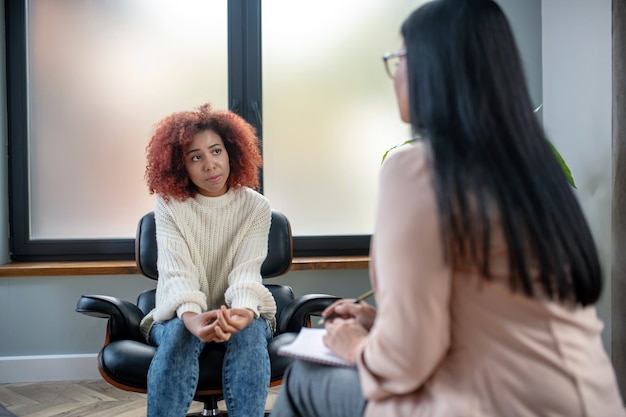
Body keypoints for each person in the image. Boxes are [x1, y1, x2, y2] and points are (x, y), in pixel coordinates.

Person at [269, 0, 625, 416]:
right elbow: (494, 324)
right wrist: (381, 324)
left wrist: (356, 345)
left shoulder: (418, 167)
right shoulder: (537, 169)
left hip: (487, 405)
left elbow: (404, 363)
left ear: (434, 70)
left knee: (304, 377)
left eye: (400, 57)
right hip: (590, 401)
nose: (396, 72)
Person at [141, 103, 277, 417]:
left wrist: (242, 312)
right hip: (180, 316)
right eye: (196, 157)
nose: (210, 165)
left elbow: (246, 272)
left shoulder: (256, 207)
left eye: (216, 151)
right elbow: (178, 275)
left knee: (251, 329)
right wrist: (192, 317)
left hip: (240, 311)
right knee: (179, 331)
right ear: (180, 165)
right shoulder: (170, 205)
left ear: (231, 152)